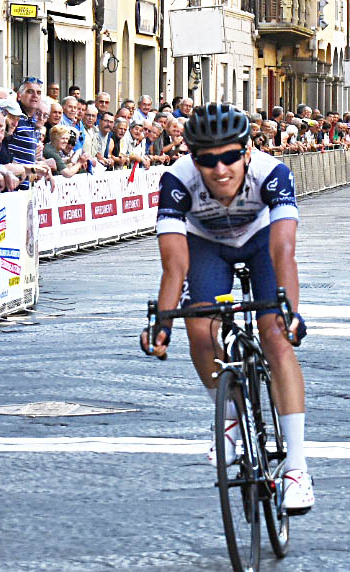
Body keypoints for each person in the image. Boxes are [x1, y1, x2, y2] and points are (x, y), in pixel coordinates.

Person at [140, 103, 313, 514]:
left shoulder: (273, 173)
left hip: (260, 240)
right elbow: (174, 265)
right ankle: (231, 415)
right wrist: (163, 322)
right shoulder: (177, 181)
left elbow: (284, 251)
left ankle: (297, 470)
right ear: (193, 158)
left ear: (247, 151)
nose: (220, 170)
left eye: (230, 156)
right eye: (207, 160)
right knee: (199, 332)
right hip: (206, 245)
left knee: (275, 336)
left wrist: (289, 312)